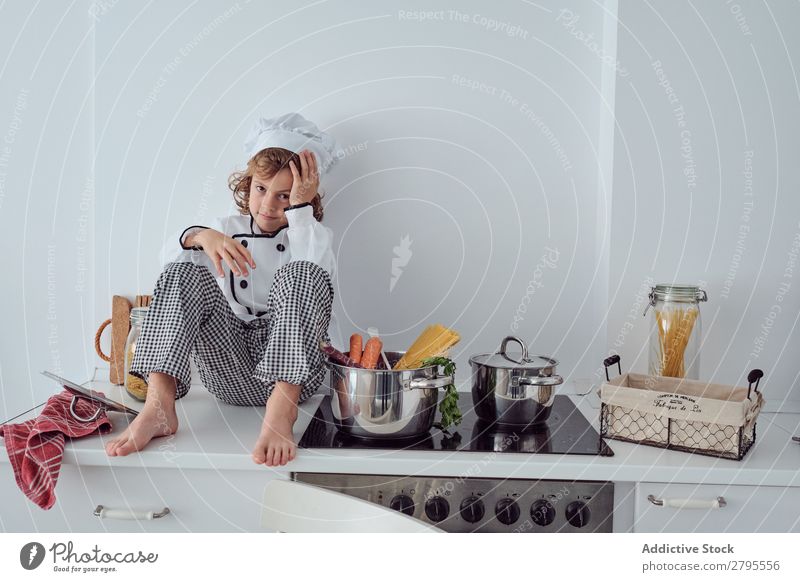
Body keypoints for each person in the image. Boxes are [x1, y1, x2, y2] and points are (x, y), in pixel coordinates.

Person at [104, 112, 342, 467]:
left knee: (303, 273)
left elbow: (316, 272)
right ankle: (158, 407)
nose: (267, 204)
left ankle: (281, 413)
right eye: (261, 190)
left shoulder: (309, 235)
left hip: (295, 381)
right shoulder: (224, 228)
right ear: (248, 184)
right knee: (183, 268)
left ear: (301, 196)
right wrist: (200, 236)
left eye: (284, 196)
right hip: (229, 370)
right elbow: (170, 263)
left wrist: (301, 212)